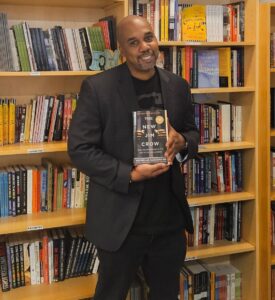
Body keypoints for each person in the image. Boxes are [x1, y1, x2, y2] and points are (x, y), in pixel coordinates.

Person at [68, 15, 199, 300]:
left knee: (166, 295)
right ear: (121, 50)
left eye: (148, 38)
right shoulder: (98, 88)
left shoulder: (178, 85)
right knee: (110, 294)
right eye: (133, 42)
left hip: (168, 223)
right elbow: (80, 149)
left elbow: (192, 133)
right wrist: (129, 174)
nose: (144, 47)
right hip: (120, 225)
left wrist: (182, 142)